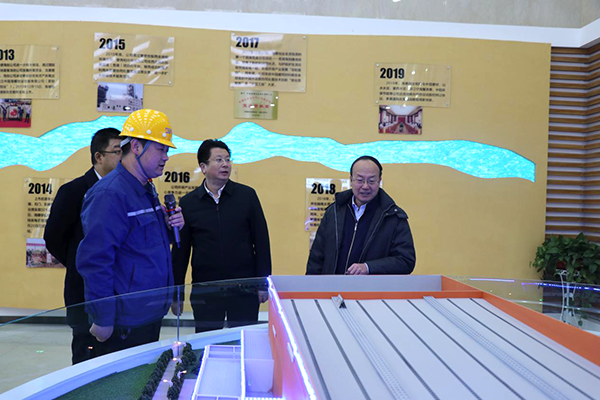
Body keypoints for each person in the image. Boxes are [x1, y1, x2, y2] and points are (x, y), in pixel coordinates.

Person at [76, 109, 184, 355]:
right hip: (124, 323)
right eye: (161, 149)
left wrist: (169, 228)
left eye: (166, 150)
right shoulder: (110, 194)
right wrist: (103, 318)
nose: (166, 157)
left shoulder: (146, 189)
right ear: (136, 147)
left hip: (148, 313)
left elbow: (142, 243)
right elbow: (95, 260)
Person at [172, 139, 271, 333]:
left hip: (244, 289)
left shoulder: (247, 196)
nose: (225, 164)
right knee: (207, 340)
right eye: (218, 160)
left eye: (227, 159)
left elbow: (261, 242)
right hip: (206, 291)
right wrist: (177, 295)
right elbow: (180, 253)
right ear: (203, 167)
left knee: (243, 339)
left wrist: (262, 284)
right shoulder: (189, 203)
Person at [44, 127, 122, 364]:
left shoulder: (125, 191)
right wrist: (79, 264)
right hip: (82, 289)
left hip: (119, 291)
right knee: (86, 355)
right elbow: (54, 238)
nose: (123, 157)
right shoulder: (74, 191)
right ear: (99, 156)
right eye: (117, 151)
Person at [306, 155, 416, 275]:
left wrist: (368, 267)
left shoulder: (393, 217)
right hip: (333, 286)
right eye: (360, 180)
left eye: (371, 181)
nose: (365, 186)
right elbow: (316, 258)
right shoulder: (334, 212)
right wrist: (310, 285)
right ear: (351, 180)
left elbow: (405, 261)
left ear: (379, 181)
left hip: (372, 287)